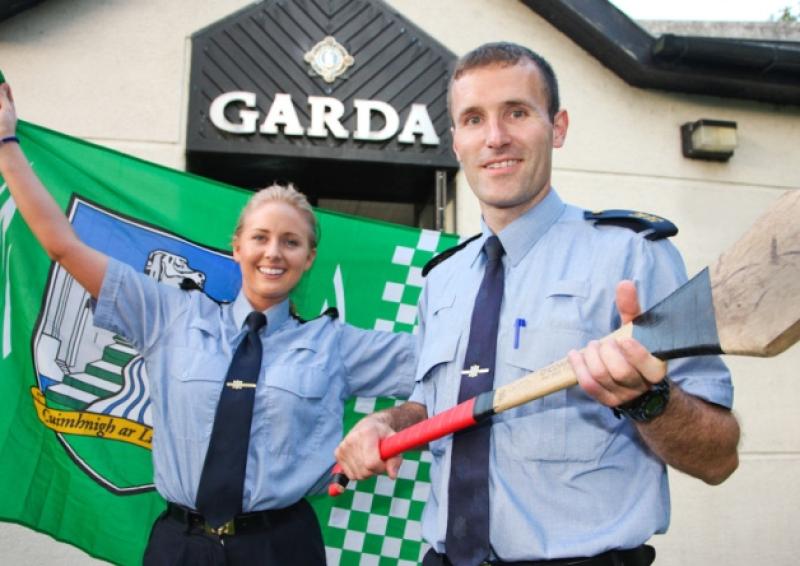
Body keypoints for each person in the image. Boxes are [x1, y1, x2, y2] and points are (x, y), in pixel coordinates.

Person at [334, 42, 741, 566]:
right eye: (474, 119)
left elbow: (719, 457)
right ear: (456, 141)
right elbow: (439, 407)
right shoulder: (442, 279)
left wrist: (648, 398)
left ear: (559, 127)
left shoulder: (634, 256)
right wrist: (390, 422)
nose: (496, 137)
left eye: (517, 113)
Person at [0, 83, 416, 565]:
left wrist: (390, 420)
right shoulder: (167, 314)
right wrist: (7, 144)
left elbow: (446, 367)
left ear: (310, 258)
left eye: (291, 242)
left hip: (283, 546)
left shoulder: (335, 344)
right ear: (236, 247)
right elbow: (64, 247)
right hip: (181, 546)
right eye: (260, 237)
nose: (273, 253)